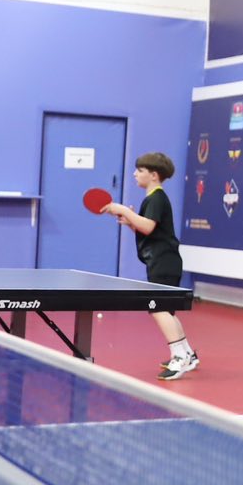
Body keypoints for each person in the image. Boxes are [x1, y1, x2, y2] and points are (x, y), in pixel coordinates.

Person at [101, 152, 198, 381]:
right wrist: (130, 222)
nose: (135, 174)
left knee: (158, 308)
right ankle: (188, 353)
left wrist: (124, 210)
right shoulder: (153, 198)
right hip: (163, 260)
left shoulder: (156, 198)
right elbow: (149, 230)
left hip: (164, 261)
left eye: (140, 170)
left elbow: (147, 227)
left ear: (153, 175)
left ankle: (179, 357)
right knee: (166, 309)